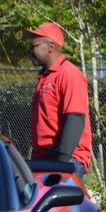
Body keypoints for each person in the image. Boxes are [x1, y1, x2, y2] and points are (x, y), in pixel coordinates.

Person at [24, 22, 91, 179]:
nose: (29, 50)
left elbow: (75, 118)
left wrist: (62, 163)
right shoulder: (46, 76)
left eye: (33, 46)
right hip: (45, 158)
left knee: (62, 197)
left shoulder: (69, 74)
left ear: (50, 47)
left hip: (65, 159)